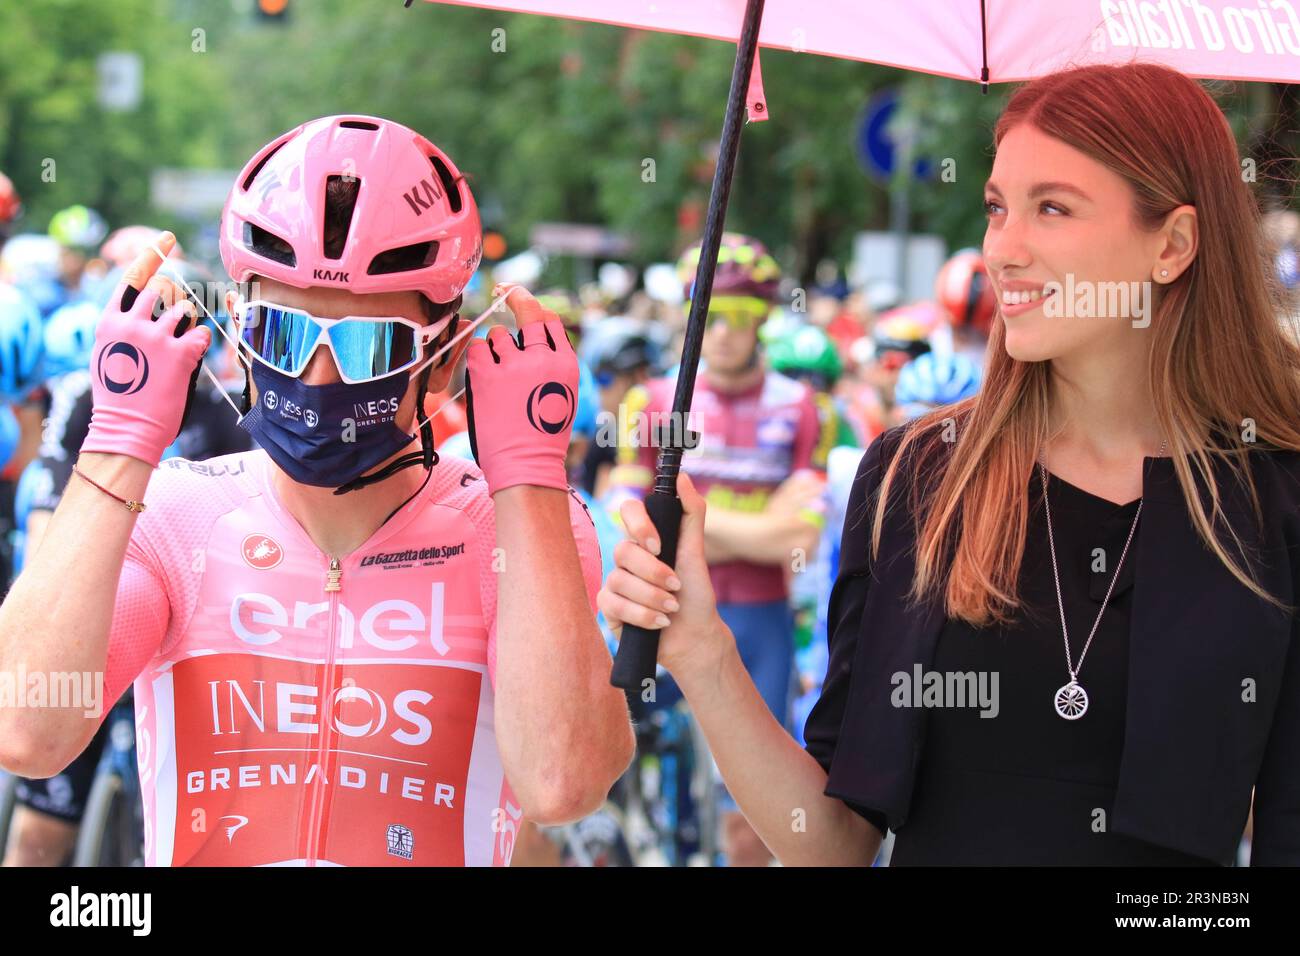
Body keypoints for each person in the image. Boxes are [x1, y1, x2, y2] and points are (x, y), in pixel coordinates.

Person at [598, 62, 1300, 866]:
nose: (1003, 250)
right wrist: (701, 652)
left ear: (1171, 244)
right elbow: (832, 844)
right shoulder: (919, 476)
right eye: (997, 208)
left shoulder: (1274, 500)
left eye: (1053, 209)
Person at [0, 114, 633, 867]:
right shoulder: (175, 515)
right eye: (283, 335)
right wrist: (118, 444)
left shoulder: (508, 533)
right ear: (236, 327)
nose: (318, 375)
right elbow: (26, 732)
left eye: (368, 346)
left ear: (444, 357)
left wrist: (528, 479)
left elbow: (562, 784)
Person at [614, 232, 827, 866]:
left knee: (751, 832)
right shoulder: (652, 402)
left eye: (742, 318)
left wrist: (693, 521)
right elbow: (630, 522)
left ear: (764, 321)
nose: (725, 334)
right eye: (710, 318)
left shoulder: (805, 407)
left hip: (760, 623)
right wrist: (758, 524)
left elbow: (801, 538)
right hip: (663, 611)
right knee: (600, 780)